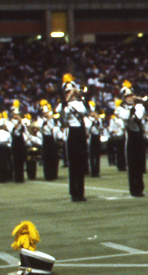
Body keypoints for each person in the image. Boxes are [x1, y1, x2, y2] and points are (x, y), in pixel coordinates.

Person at [57, 74, 90, 202]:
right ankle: (74, 192)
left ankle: (81, 192)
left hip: (81, 132)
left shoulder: (79, 103)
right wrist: (68, 99)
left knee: (81, 163)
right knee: (73, 164)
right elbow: (62, 117)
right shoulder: (63, 106)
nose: (70, 93)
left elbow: (86, 110)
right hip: (72, 132)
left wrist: (80, 95)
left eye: (71, 91)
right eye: (67, 91)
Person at [116, 83, 147, 197]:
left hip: (139, 135)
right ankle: (133, 188)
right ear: (124, 98)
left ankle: (140, 187)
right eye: (127, 96)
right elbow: (127, 117)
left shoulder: (139, 106)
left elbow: (138, 117)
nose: (130, 98)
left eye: (131, 95)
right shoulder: (121, 109)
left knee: (139, 162)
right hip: (130, 136)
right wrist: (133, 107)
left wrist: (136, 104)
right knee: (132, 163)